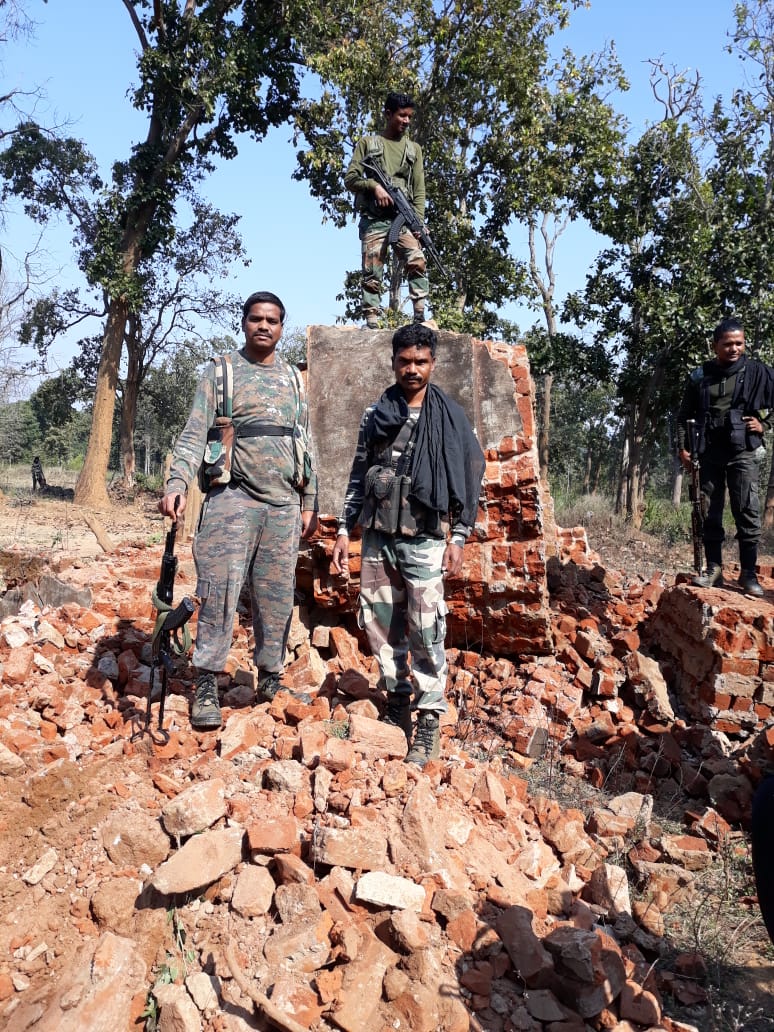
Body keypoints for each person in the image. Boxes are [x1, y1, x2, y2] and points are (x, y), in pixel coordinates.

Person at [158, 291, 318, 731]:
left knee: (276, 597)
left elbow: (305, 442)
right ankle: (206, 681)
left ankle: (270, 678)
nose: (264, 326)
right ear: (243, 323)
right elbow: (194, 433)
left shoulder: (293, 379)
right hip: (233, 499)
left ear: (282, 327)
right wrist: (176, 484)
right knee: (220, 591)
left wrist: (310, 501)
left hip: (283, 503)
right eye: (256, 319)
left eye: (273, 320)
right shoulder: (220, 373)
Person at [331, 323, 485, 766]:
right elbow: (359, 475)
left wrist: (459, 536)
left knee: (426, 626)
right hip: (379, 535)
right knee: (381, 623)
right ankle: (397, 703)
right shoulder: (375, 414)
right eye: (404, 361)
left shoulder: (452, 418)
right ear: (393, 361)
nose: (412, 369)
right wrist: (345, 529)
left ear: (432, 364)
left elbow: (470, 479)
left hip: (425, 538)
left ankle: (430, 718)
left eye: (420, 362)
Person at [676, 317, 774, 597]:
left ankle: (748, 573)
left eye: (739, 343)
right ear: (715, 346)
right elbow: (683, 416)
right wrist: (682, 448)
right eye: (727, 344)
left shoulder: (758, 372)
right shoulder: (700, 376)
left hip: (743, 450)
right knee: (709, 511)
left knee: (747, 510)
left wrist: (764, 424)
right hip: (708, 451)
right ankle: (714, 569)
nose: (734, 349)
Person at [344, 91, 429, 329]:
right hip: (374, 219)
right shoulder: (368, 144)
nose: (406, 121)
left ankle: (419, 316)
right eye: (402, 115)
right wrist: (374, 187)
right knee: (372, 270)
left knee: (417, 259)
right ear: (388, 114)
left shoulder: (414, 150)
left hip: (403, 218)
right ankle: (372, 320)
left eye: (410, 117)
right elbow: (350, 179)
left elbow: (419, 189)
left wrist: (418, 223)